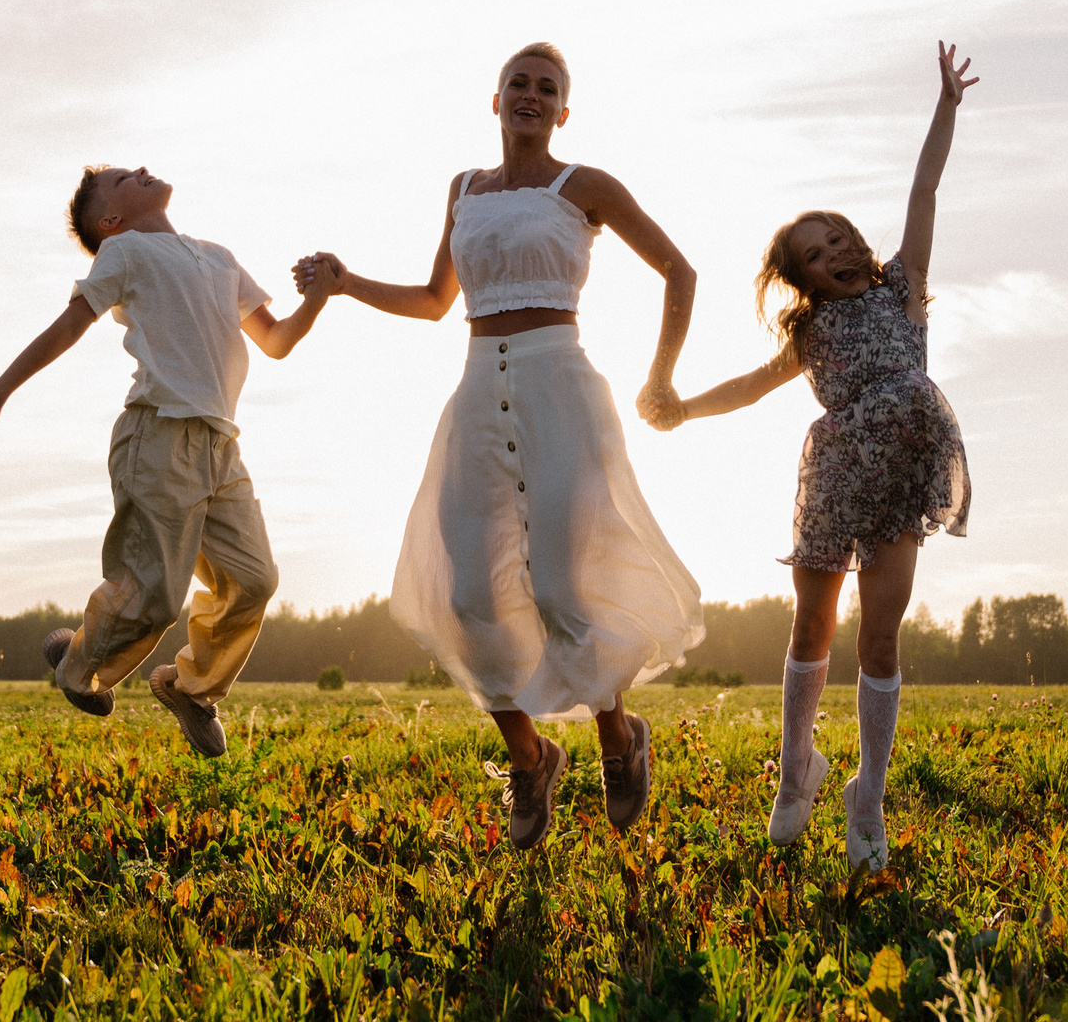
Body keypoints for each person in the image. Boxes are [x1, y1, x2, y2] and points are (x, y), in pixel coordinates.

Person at [294, 43, 705, 849]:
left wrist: (661, 376)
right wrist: (344, 282)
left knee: (561, 587)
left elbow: (678, 270)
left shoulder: (582, 186)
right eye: (518, 82)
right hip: (480, 389)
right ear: (495, 100)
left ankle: (618, 740)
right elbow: (433, 299)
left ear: (562, 111)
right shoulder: (463, 191)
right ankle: (530, 755)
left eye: (547, 87)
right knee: (466, 596)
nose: (531, 94)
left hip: (563, 390)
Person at [667, 42, 978, 869]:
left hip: (906, 471)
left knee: (881, 642)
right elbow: (751, 386)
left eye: (839, 234)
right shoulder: (810, 332)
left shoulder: (902, 288)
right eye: (816, 249)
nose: (837, 249)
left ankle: (866, 795)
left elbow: (925, 189)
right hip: (838, 474)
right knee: (812, 624)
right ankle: (796, 767)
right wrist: (686, 408)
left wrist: (945, 105)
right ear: (800, 279)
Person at [0, 165, 327, 758]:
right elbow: (69, 325)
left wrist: (318, 300)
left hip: (221, 445)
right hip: (159, 438)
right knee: (155, 595)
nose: (142, 171)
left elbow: (275, 340)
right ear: (110, 221)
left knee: (255, 579)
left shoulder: (218, 257)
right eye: (124, 178)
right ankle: (77, 665)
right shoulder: (123, 252)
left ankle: (190, 688)